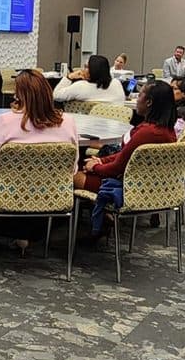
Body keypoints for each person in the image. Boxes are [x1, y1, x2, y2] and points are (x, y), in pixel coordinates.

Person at [0, 71, 79, 237]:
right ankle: (29, 236)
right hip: (52, 195)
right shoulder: (68, 122)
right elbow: (72, 169)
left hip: (8, 195)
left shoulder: (4, 122)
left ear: (18, 94)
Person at [74, 80, 178, 241]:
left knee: (72, 173)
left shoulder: (147, 133)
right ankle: (102, 218)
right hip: (148, 185)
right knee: (82, 165)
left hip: (129, 187)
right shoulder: (165, 130)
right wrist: (101, 161)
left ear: (149, 102)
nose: (136, 98)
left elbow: (117, 167)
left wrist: (95, 168)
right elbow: (126, 156)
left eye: (141, 94)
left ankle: (95, 222)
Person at [52, 54, 125, 104]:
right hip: (115, 124)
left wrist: (69, 77)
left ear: (93, 70)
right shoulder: (116, 83)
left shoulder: (80, 86)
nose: (83, 69)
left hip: (86, 124)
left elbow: (55, 95)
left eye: (86, 67)